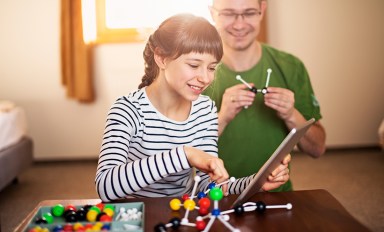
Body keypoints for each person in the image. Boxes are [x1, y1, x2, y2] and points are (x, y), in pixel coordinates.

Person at [95, 13, 290, 202]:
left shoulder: (204, 110)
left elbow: (209, 186)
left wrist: (255, 183)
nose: (205, 78)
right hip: (137, 215)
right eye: (194, 65)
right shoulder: (127, 110)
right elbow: (105, 187)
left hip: (182, 213)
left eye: (212, 68)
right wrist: (184, 154)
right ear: (162, 58)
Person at [203, 0, 326, 192]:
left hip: (276, 197)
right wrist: (222, 118)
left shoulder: (291, 67)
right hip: (215, 197)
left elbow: (317, 149)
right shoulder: (197, 74)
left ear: (262, 11)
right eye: (228, 13)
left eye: (249, 13)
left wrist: (291, 115)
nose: (239, 24)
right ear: (212, 14)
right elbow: (181, 155)